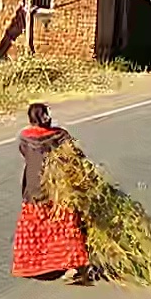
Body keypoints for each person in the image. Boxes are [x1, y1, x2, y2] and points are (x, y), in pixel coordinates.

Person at [13, 103, 93, 284]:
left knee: (37, 222)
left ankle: (34, 264)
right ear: (46, 118)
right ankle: (72, 265)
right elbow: (75, 157)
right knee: (65, 223)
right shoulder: (59, 135)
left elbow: (25, 154)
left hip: (33, 188)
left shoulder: (25, 138)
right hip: (57, 188)